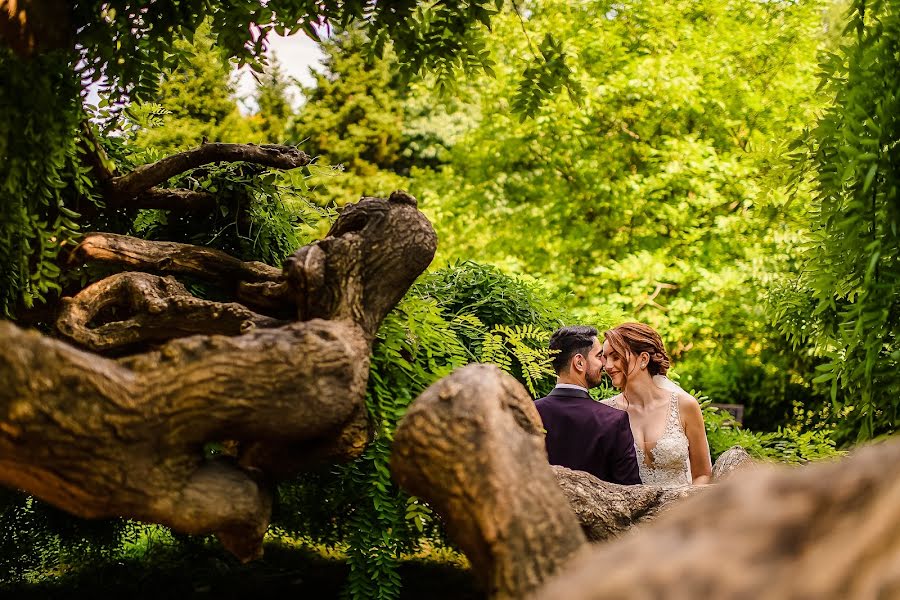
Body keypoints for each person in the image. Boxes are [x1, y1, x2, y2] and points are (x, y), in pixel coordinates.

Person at [600, 322, 712, 486]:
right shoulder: (603, 411)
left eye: (616, 357)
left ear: (643, 359)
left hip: (681, 508)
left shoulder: (685, 406)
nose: (608, 366)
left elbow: (703, 474)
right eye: (605, 358)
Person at [534, 325, 641, 485]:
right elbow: (632, 491)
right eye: (599, 356)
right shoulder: (613, 421)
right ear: (579, 363)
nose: (604, 364)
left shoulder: (529, 412)